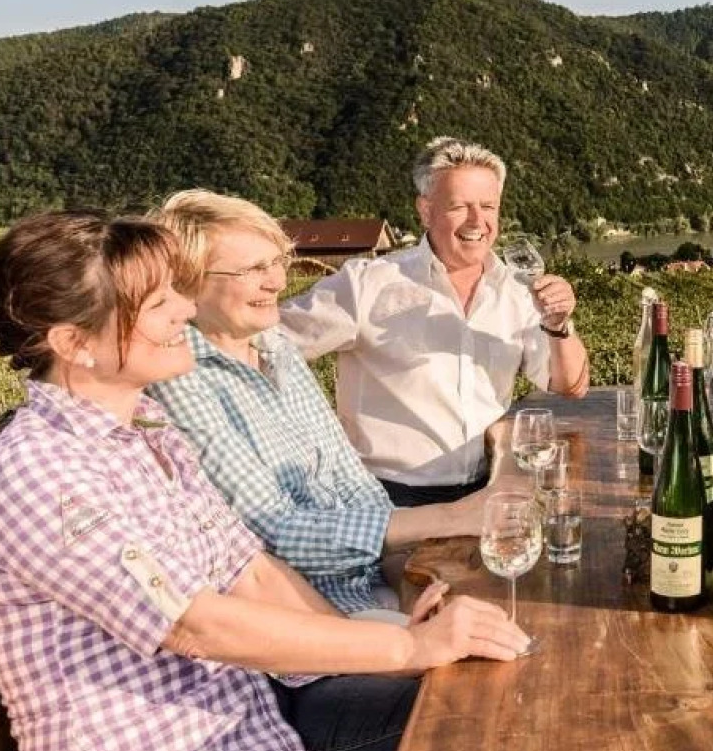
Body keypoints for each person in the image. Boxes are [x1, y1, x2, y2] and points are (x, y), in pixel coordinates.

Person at [0, 212, 529, 751]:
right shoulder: (40, 473)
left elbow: (251, 570)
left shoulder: (148, 432)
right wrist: (407, 651)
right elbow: (192, 625)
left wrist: (397, 639)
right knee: (483, 734)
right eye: (157, 304)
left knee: (504, 712)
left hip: (249, 733)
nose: (184, 308)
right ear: (74, 342)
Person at [149, 190, 497, 617]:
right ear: (189, 282)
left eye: (277, 262)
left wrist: (409, 585)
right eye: (253, 269)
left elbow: (354, 483)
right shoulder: (178, 376)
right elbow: (274, 533)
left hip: (369, 592)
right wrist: (452, 518)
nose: (276, 281)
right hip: (303, 622)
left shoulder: (274, 346)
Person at [280, 137, 590, 507]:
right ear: (425, 211)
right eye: (459, 206)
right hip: (388, 499)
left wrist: (558, 324)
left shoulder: (516, 291)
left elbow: (570, 385)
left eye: (488, 206)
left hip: (488, 491)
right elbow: (263, 339)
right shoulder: (367, 284)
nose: (478, 221)